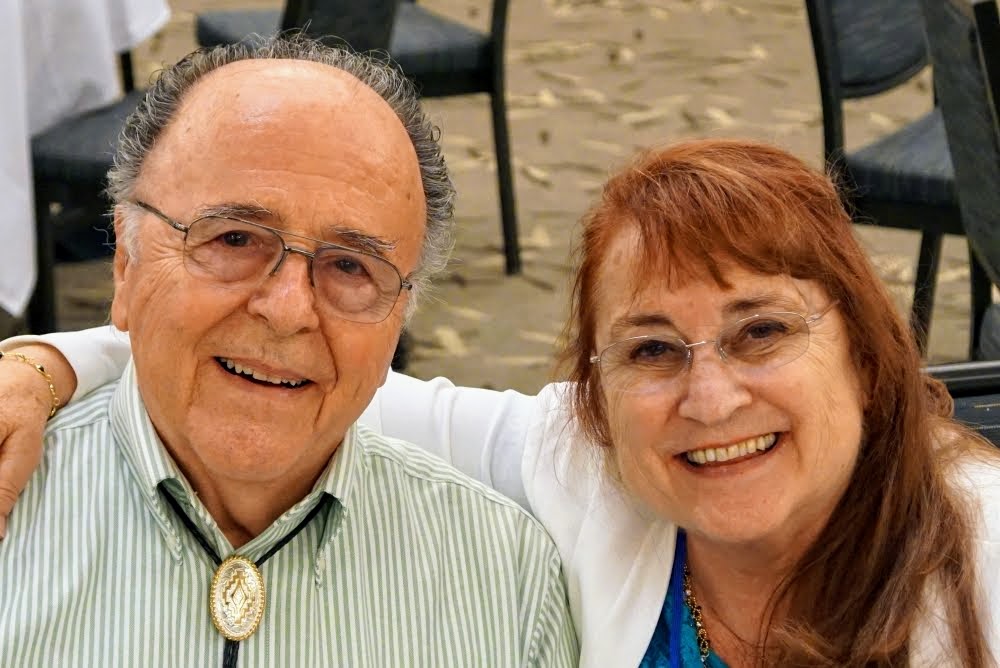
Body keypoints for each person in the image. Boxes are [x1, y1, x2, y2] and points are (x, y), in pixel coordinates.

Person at [3, 139, 999, 667]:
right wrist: (46, 366)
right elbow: (309, 380)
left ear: (864, 348)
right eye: (651, 349)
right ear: (597, 397)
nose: (709, 396)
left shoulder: (984, 552)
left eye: (761, 331)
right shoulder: (586, 460)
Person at [0, 36, 579, 667]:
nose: (287, 310)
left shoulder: (507, 582)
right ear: (124, 263)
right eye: (235, 239)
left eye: (351, 266)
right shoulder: (14, 514)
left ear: (400, 316)